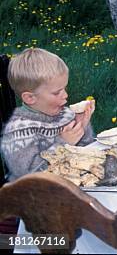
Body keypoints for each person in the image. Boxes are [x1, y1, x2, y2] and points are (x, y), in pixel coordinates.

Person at [1, 48, 95, 181]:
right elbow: (28, 174)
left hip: (68, 183)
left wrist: (81, 126)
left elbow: (85, 149)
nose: (66, 95)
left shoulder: (64, 115)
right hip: (33, 195)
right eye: (57, 92)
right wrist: (63, 143)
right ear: (30, 98)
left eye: (65, 88)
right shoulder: (19, 130)